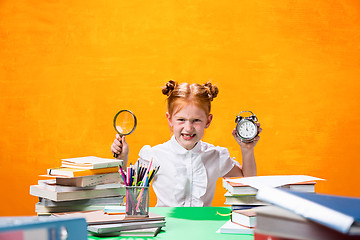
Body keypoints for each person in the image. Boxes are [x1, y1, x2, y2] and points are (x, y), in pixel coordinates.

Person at [111, 80, 262, 207]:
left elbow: (246, 180)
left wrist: (247, 150)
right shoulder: (155, 156)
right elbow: (125, 184)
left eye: (196, 120)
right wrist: (121, 159)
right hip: (167, 229)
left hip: (202, 230)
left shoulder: (215, 156)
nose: (188, 128)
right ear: (169, 119)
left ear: (208, 121)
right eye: (181, 120)